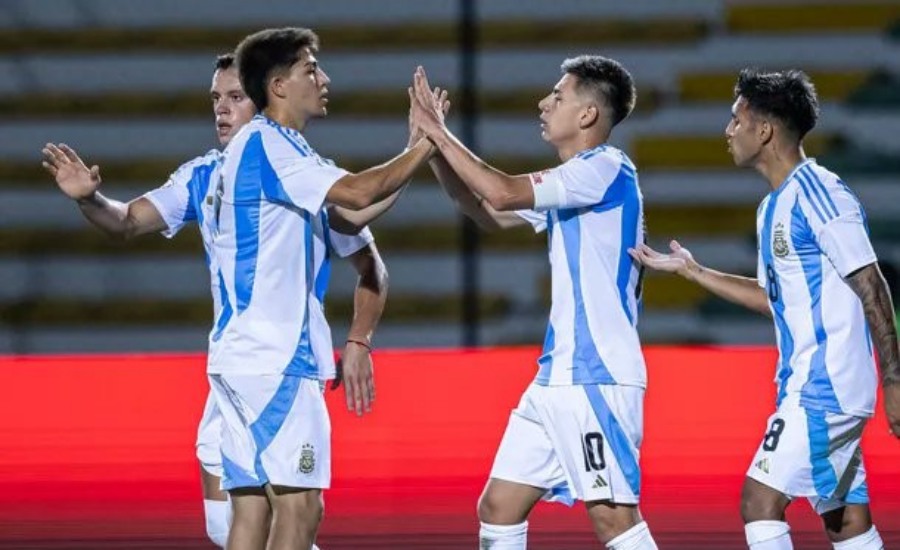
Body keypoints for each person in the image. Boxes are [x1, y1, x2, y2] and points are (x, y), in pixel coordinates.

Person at [40, 53, 393, 549]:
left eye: (234, 98)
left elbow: (371, 267)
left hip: (274, 365)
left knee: (280, 514)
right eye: (215, 100)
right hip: (236, 369)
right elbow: (126, 220)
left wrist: (359, 339)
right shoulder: (201, 175)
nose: (221, 111)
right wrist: (88, 199)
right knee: (235, 523)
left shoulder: (312, 176)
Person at [629, 68, 900, 550]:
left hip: (825, 386)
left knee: (758, 501)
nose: (727, 130)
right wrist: (694, 272)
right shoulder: (772, 207)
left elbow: (872, 283)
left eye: (737, 119)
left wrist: (896, 379)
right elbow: (775, 299)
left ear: (765, 130)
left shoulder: (820, 191)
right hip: (809, 384)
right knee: (845, 520)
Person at [410, 57, 658, 549]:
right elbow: (483, 210)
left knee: (613, 518)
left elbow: (500, 194)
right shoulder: (577, 185)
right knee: (499, 507)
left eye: (558, 96)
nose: (544, 103)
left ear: (588, 115)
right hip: (556, 379)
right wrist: (430, 146)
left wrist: (441, 134)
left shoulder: (606, 168)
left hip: (596, 376)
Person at [209, 27, 432, 550]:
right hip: (276, 359)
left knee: (251, 510)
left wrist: (414, 152)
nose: (324, 78)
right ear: (280, 84)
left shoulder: (278, 152)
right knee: (301, 505)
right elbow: (358, 191)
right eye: (312, 68)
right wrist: (428, 143)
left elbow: (354, 212)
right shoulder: (269, 145)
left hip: (239, 358)